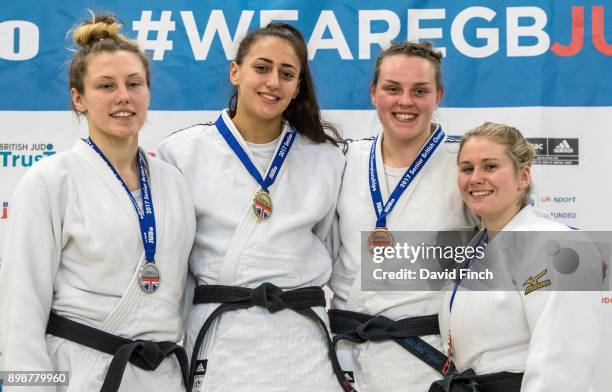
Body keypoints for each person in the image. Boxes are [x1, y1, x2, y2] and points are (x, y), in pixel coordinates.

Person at [0, 14, 196, 392]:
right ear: (79, 99)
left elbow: (182, 297)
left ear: (148, 92)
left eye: (134, 84)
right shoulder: (50, 181)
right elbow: (19, 311)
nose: (123, 96)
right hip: (81, 373)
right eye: (106, 86)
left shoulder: (173, 183)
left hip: (162, 377)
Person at [158, 23, 349, 391]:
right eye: (261, 68)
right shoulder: (181, 153)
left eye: (287, 74)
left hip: (301, 341)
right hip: (222, 335)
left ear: (297, 88)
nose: (273, 82)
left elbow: (330, 246)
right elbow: (173, 265)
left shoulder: (325, 158)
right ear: (235, 71)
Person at [328, 42, 478, 391]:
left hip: (426, 360)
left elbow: (516, 233)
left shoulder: (465, 165)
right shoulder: (343, 160)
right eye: (392, 89)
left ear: (438, 95)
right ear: (373, 93)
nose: (405, 102)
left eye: (420, 91)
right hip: (346, 358)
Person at [429, 122, 602, 391]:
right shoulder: (476, 248)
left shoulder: (557, 246)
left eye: (490, 166)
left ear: (523, 177)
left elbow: (561, 366)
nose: (475, 178)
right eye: (467, 168)